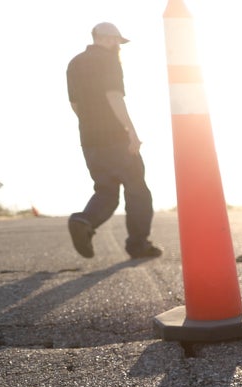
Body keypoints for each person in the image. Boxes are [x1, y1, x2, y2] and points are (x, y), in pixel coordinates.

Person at [66, 22, 161, 260]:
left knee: (106, 191)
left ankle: (84, 220)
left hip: (89, 139)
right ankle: (138, 245)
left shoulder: (74, 63)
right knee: (137, 190)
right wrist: (130, 131)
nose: (118, 45)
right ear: (106, 38)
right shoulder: (108, 60)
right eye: (116, 40)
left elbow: (74, 104)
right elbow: (114, 96)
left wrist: (91, 127)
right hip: (116, 138)